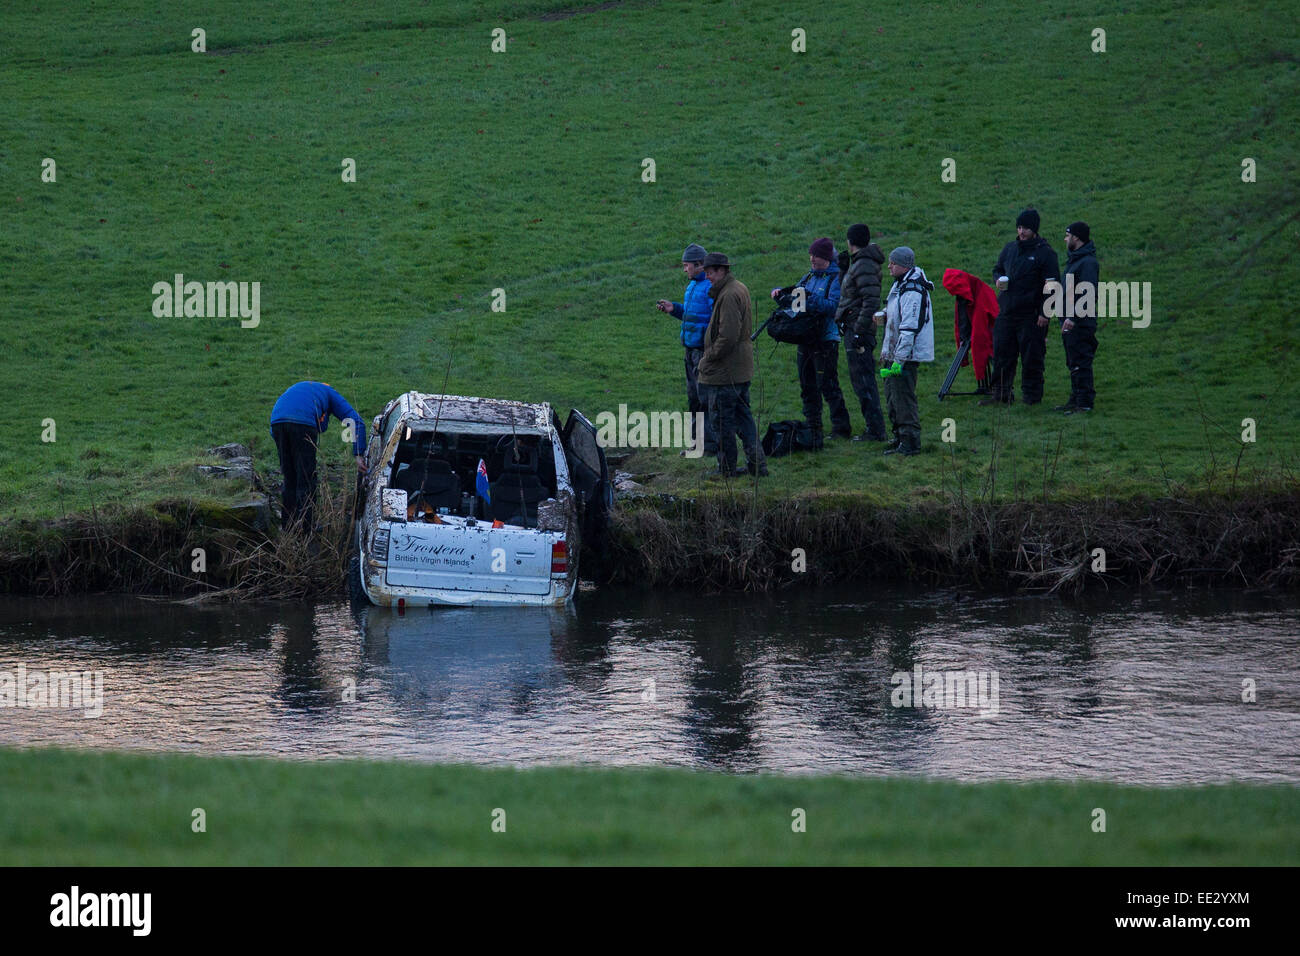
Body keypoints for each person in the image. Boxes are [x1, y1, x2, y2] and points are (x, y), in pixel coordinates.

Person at [772, 238, 851, 442]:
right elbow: (797, 296)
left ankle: (841, 428)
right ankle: (813, 426)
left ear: (826, 258)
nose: (812, 259)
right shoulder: (808, 277)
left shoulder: (835, 279)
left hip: (825, 339)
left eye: (816, 256)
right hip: (806, 338)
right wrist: (782, 294)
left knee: (828, 384)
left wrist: (809, 299)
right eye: (811, 255)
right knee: (807, 384)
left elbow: (834, 307)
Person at [697, 253, 766, 478]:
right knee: (744, 419)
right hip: (739, 370)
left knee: (723, 423)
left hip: (726, 372)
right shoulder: (739, 288)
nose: (707, 277)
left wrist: (708, 357)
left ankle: (726, 469)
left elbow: (727, 336)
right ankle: (757, 464)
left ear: (721, 271)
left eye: (710, 272)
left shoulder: (727, 295)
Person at [982, 208, 1061, 406]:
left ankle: (1032, 397)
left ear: (1034, 229)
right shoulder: (1010, 249)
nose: (1021, 231)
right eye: (1019, 227)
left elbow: (1053, 286)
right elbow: (997, 269)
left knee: (1032, 357)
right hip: (1006, 311)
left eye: (1025, 227)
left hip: (1032, 315)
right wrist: (998, 279)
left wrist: (1045, 313)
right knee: (1001, 355)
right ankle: (1000, 394)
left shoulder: (1046, 253)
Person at [269, 381, 368, 532]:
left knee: (289, 479)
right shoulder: (330, 393)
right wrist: (359, 453)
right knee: (306, 480)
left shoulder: (298, 389)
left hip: (277, 423)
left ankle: (288, 528)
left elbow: (277, 430)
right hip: (303, 424)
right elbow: (355, 421)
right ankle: (305, 532)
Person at [656, 243, 718, 457]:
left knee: (704, 397)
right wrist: (674, 309)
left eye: (687, 265)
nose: (685, 269)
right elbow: (693, 315)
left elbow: (714, 320)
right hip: (690, 350)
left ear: (699, 265)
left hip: (702, 351)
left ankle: (708, 445)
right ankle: (697, 443)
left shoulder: (710, 288)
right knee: (693, 398)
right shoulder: (692, 286)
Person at [877, 247, 935, 456]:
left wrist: (898, 360)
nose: (889, 266)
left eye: (893, 262)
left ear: (904, 265)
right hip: (896, 354)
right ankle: (900, 437)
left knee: (902, 398)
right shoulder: (901, 284)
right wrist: (884, 314)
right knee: (892, 397)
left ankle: (910, 442)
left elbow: (909, 328)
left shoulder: (912, 290)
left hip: (904, 357)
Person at [834, 223, 888, 442]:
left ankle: (875, 430)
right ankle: (874, 428)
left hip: (859, 330)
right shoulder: (860, 264)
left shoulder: (864, 264)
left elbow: (870, 300)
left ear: (850, 241)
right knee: (861, 379)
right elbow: (851, 294)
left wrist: (858, 330)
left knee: (863, 380)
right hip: (855, 326)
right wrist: (844, 270)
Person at [1055, 221, 1099, 414]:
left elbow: (1088, 293)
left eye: (1067, 235)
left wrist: (1073, 317)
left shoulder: (1087, 263)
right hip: (1070, 321)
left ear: (1076, 238)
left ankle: (1084, 403)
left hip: (1079, 323)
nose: (1065, 239)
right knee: (1073, 362)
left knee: (1081, 361)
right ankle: (1076, 399)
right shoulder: (1075, 260)